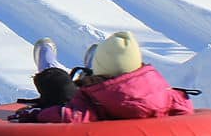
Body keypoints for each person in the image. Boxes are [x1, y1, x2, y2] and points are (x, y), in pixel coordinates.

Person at [12, 31, 192, 124]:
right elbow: (185, 107)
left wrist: (35, 115)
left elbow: (69, 116)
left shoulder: (95, 102)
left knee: (59, 89)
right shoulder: (164, 90)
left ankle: (48, 65)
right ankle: (91, 70)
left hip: (94, 106)